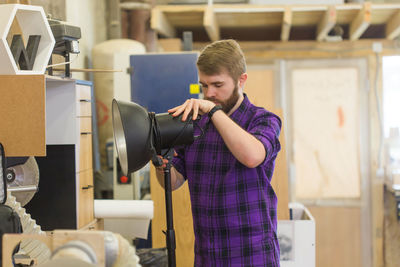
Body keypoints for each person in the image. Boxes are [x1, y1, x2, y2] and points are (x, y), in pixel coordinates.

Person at [156, 39, 282, 266]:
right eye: (204, 86)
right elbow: (173, 182)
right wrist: (157, 162)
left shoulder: (263, 120)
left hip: (252, 255)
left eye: (217, 85)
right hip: (208, 255)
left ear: (241, 80)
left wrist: (214, 111)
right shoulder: (195, 125)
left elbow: (252, 156)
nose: (209, 93)